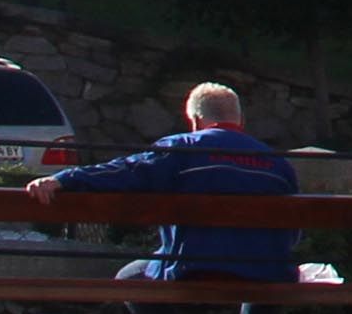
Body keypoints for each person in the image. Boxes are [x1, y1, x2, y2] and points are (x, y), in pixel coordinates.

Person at [25, 82, 297, 284]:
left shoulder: (183, 149)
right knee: (268, 278)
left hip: (192, 269)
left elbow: (125, 172)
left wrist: (65, 178)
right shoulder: (277, 163)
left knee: (128, 279)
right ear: (240, 120)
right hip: (265, 272)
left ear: (195, 120)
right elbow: (292, 233)